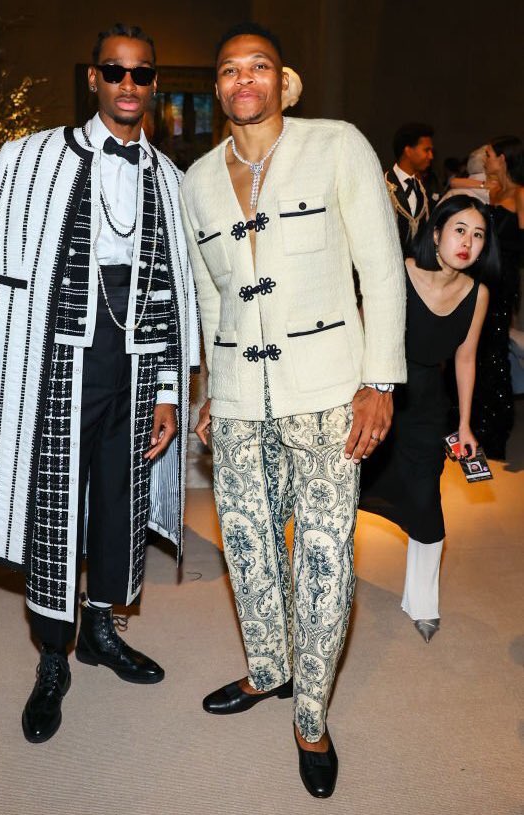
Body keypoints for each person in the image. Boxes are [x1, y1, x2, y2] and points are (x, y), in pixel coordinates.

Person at [180, 23, 406, 799]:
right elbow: (212, 293)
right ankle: (269, 668)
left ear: (285, 82)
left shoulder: (338, 143)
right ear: (217, 90)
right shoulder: (197, 180)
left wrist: (380, 380)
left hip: (328, 390)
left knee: (322, 554)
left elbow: (381, 269)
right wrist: (212, 385)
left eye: (259, 67)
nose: (245, 79)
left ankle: (309, 712)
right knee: (244, 547)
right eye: (229, 70)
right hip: (241, 396)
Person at [0, 23, 198, 745]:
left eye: (142, 73)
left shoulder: (170, 177)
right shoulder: (29, 158)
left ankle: (100, 630)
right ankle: (53, 656)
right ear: (92, 78)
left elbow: (172, 291)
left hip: (136, 349)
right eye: (115, 71)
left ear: (153, 84)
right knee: (54, 500)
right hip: (57, 352)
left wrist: (162, 388)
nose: (129, 84)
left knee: (120, 498)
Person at [360, 195, 494, 642]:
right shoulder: (399, 272)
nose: (467, 242)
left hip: (426, 408)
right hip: (375, 395)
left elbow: (466, 359)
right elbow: (360, 333)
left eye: (477, 235)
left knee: (426, 504)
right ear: (435, 233)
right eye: (459, 230)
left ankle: (422, 602)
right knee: (340, 492)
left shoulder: (477, 294)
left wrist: (466, 424)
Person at [470, 136, 524, 459]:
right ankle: (475, 424)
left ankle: (495, 430)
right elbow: (459, 181)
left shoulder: (519, 194)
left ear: (503, 158)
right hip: (481, 281)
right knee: (476, 352)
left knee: (494, 353)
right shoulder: (495, 191)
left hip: (501, 284)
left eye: (489, 155)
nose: (485, 159)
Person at [385, 122, 435, 255]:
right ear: (408, 151)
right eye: (426, 150)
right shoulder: (382, 186)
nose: (431, 156)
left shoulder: (424, 190)